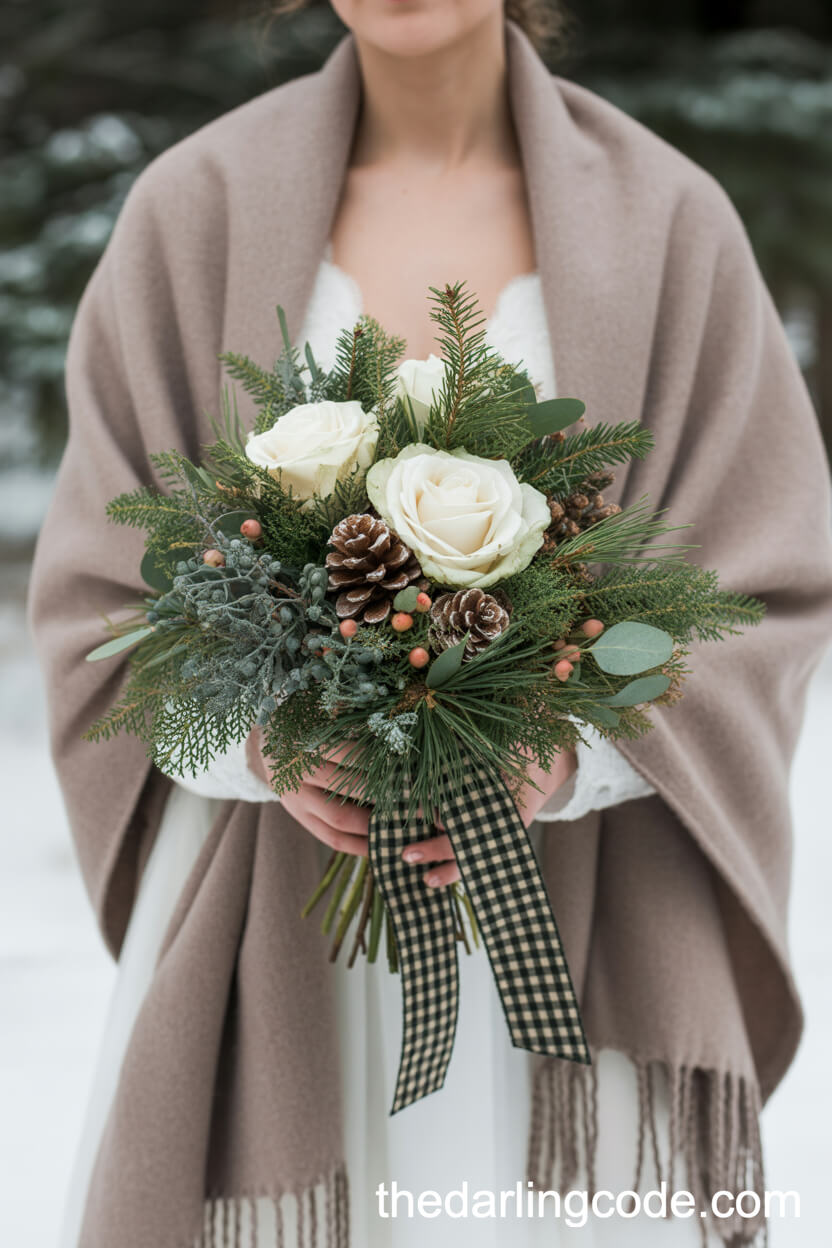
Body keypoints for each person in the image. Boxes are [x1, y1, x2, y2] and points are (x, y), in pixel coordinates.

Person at [28, 4, 832, 1247]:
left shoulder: (671, 221)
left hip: (582, 940)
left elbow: (766, 593)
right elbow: (98, 599)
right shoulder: (196, 209)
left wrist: (567, 756)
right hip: (279, 938)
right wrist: (263, 740)